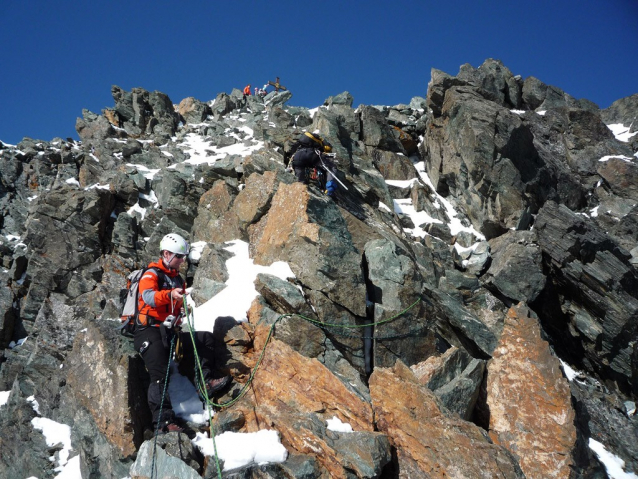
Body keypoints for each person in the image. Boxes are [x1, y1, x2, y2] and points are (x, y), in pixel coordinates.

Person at [134, 233, 231, 433]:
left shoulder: (177, 278)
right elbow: (149, 297)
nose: (182, 260)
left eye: (184, 256)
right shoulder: (151, 274)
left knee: (204, 339)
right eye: (179, 256)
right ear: (167, 254)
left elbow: (173, 306)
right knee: (160, 373)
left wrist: (180, 310)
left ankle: (204, 383)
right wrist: (170, 295)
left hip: (169, 331)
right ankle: (163, 421)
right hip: (148, 331)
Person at [289, 130, 337, 195]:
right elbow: (327, 148)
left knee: (300, 179)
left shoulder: (302, 142)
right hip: (310, 154)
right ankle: (329, 188)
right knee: (331, 167)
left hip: (297, 157)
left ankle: (299, 191)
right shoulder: (321, 141)